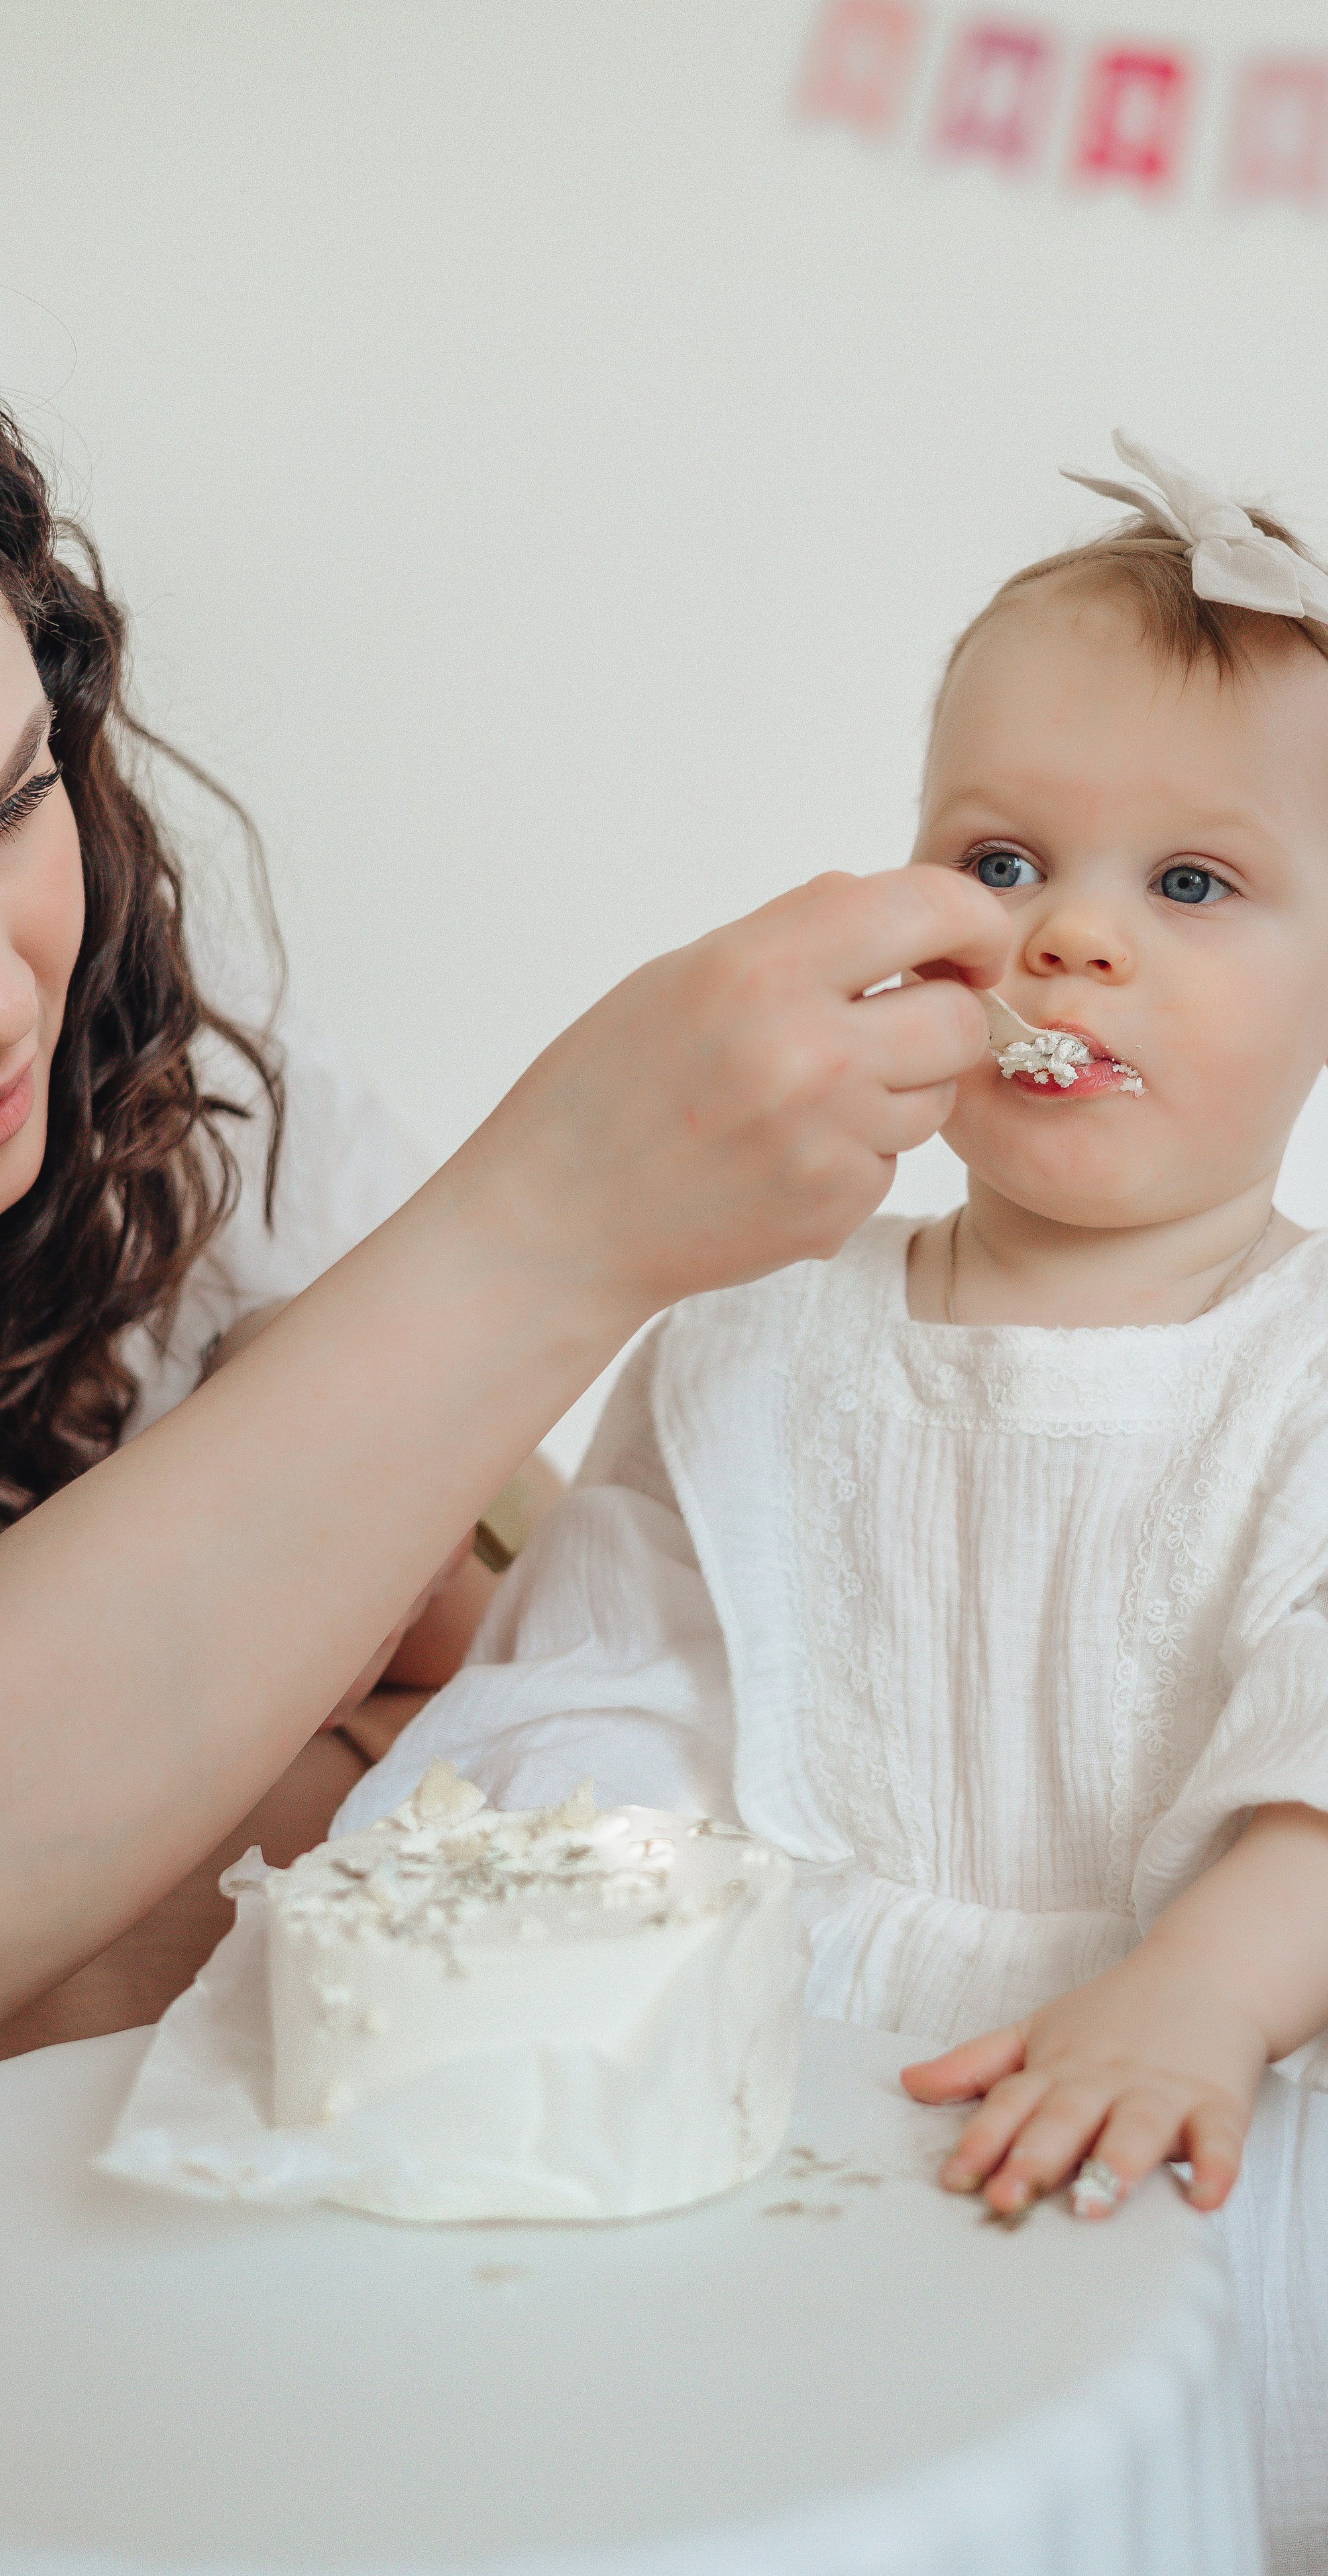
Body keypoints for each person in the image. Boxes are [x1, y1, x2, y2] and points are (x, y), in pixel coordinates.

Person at [334, 439, 1328, 2576]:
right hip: (830, 2157)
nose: (1071, 941)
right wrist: (516, 1968)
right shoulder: (750, 1344)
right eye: (1006, 857)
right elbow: (607, 1708)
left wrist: (1215, 1984)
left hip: (1272, 2186)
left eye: (1194, 886)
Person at [0, 409, 1009, 2031]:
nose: (6, 1002)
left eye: (12, 803)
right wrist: (554, 1221)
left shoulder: (167, 1079)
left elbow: (520, 1638)